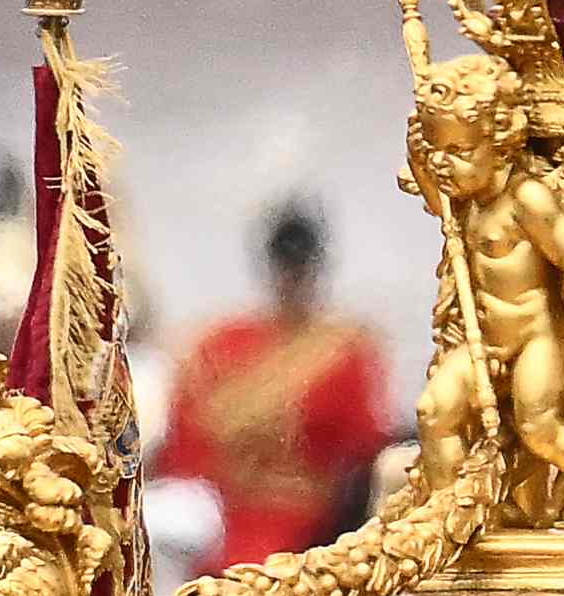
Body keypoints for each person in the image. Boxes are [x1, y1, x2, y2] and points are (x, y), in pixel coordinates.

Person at [153, 199, 399, 570]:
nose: (293, 277)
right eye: (287, 266)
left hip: (311, 528)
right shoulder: (220, 344)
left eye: (298, 267)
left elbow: (364, 449)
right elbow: (184, 449)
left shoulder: (346, 351)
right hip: (222, 519)